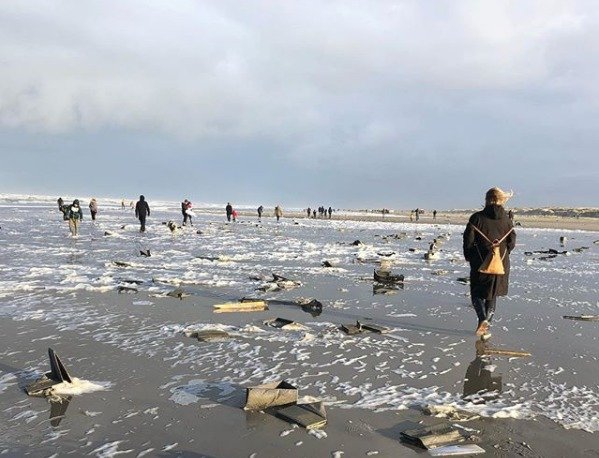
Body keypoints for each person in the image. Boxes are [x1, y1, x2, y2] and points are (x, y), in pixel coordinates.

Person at [463, 187, 516, 337]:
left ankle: (482, 319)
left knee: (476, 294)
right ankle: (487, 323)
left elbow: (468, 240)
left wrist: (469, 256)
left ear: (486, 199)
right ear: (501, 200)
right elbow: (512, 242)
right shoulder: (507, 219)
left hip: (480, 262)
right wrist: (503, 254)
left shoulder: (476, 218)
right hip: (501, 262)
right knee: (492, 295)